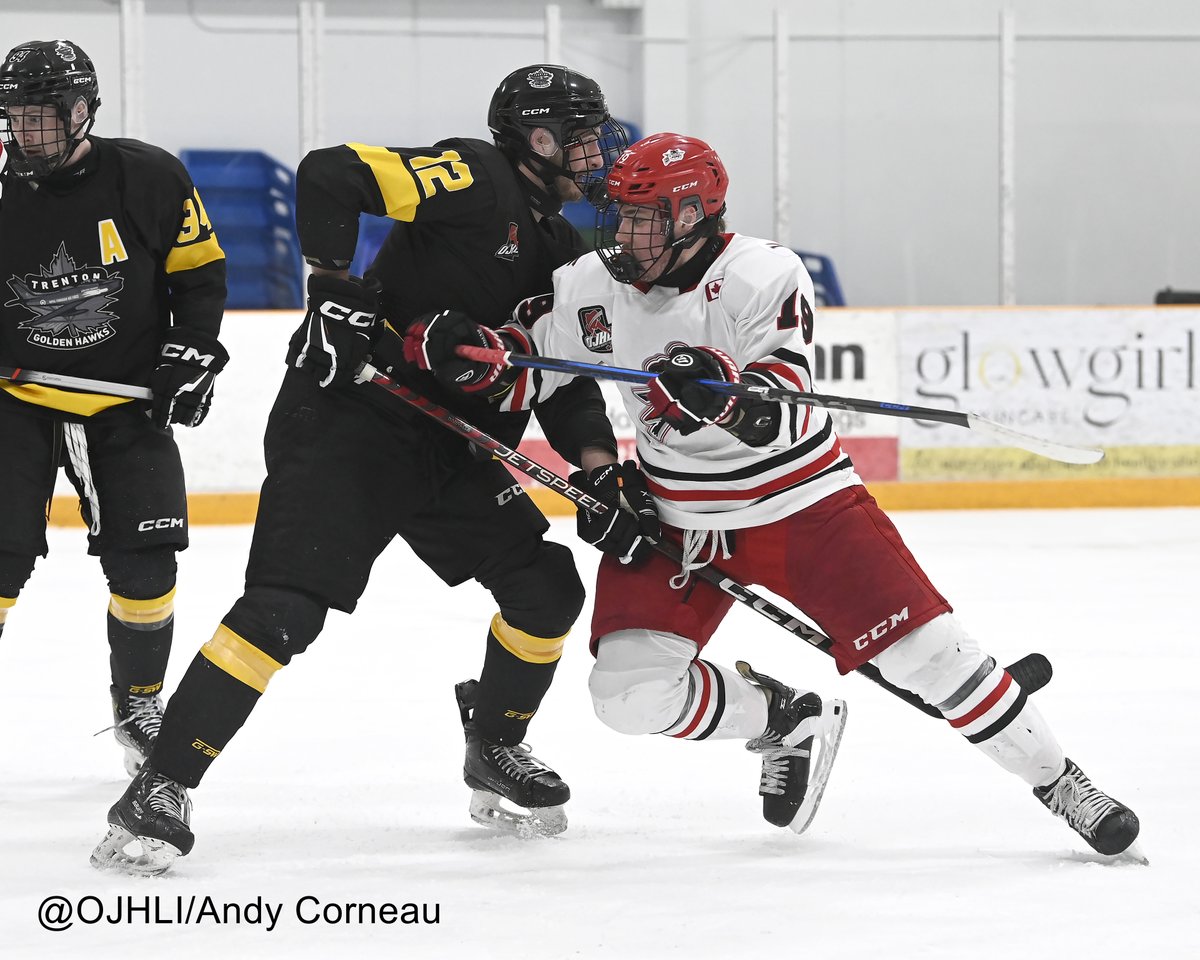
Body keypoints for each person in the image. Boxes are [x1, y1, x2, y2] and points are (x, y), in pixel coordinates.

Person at [410, 131, 1141, 856]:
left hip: (803, 507)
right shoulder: (592, 286)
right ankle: (784, 720)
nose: (625, 234)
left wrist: (725, 397)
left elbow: (778, 398)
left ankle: (1062, 783)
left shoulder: (761, 275)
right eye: (621, 216)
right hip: (679, 521)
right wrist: (466, 355)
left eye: (646, 219)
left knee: (935, 661)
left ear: (693, 215)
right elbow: (526, 365)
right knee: (628, 697)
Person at [92, 64, 638, 875]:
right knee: (284, 611)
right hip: (353, 419)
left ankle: (494, 744)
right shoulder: (475, 177)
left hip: (449, 445)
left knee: (547, 588)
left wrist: (599, 469)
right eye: (581, 134)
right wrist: (335, 288)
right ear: (535, 138)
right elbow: (330, 174)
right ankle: (161, 786)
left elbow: (558, 383)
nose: (597, 152)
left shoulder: (563, 250)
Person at [0, 40, 228, 777]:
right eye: (12, 118)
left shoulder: (149, 176)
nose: (20, 134)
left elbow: (200, 277)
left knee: (148, 564)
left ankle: (137, 704)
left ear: (79, 112)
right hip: (14, 401)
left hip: (125, 402)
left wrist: (188, 353)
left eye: (36, 119)